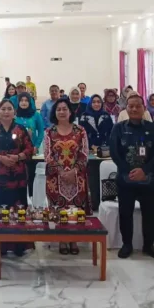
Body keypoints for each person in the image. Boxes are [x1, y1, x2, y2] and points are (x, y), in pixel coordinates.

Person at [109, 94, 154, 260]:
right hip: (125, 180)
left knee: (149, 214)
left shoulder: (153, 128)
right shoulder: (118, 128)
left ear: (144, 108)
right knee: (125, 213)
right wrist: (130, 171)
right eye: (131, 106)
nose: (134, 109)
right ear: (126, 108)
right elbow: (114, 153)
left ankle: (149, 246)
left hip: (148, 179)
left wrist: (144, 171)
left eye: (137, 106)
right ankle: (127, 245)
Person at [0, 99, 34, 257]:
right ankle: (0, 244)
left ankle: (19, 245)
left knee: (19, 209)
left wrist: (18, 157)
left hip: (19, 178)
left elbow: (30, 149)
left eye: (9, 109)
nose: (6, 111)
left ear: (14, 112)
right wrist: (1, 158)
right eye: (3, 109)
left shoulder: (21, 130)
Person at [44, 98, 89, 254]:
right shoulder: (49, 132)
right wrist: (61, 172)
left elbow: (84, 153)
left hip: (77, 178)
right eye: (58, 109)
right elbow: (47, 155)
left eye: (65, 109)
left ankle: (74, 239)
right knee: (59, 209)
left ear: (70, 112)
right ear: (54, 112)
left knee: (75, 208)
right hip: (56, 179)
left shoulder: (80, 131)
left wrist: (74, 171)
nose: (62, 112)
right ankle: (62, 240)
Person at [14, 92, 44, 195]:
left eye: (26, 100)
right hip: (17, 151)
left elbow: (41, 132)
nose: (24, 103)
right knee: (19, 176)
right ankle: (20, 198)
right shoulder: (15, 115)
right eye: (21, 100)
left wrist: (36, 146)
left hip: (32, 151)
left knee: (31, 175)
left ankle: (32, 197)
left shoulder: (36, 115)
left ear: (30, 102)